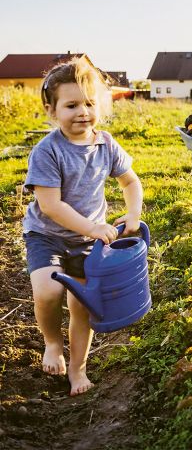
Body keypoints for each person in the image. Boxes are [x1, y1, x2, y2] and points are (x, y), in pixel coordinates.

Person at [22, 58, 143, 395]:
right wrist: (92, 228)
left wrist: (133, 214)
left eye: (89, 103)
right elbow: (51, 205)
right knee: (48, 291)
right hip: (47, 235)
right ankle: (51, 343)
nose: (82, 112)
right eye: (71, 105)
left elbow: (130, 182)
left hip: (85, 242)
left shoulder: (106, 144)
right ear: (52, 110)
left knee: (81, 304)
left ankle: (77, 369)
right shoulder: (47, 152)